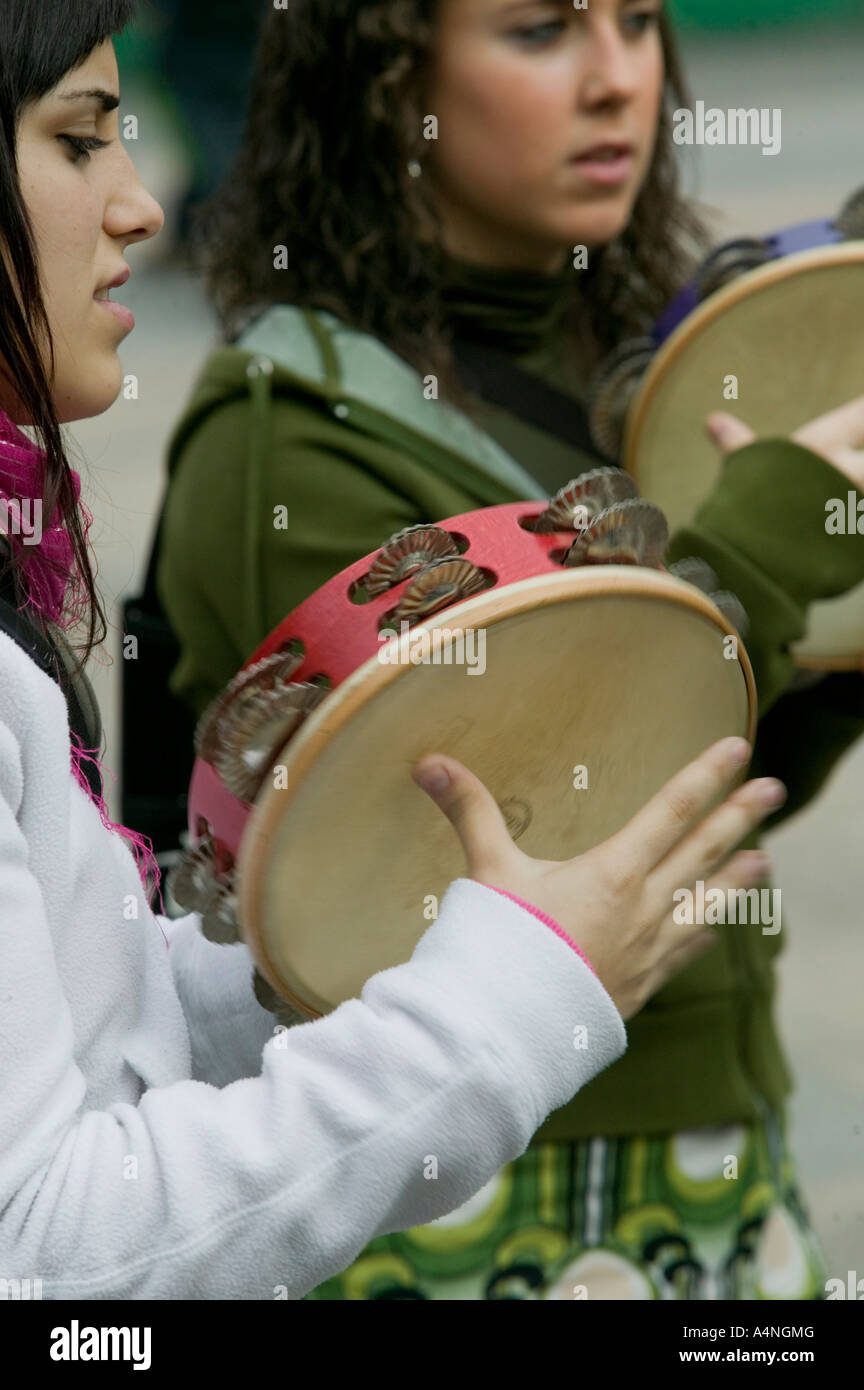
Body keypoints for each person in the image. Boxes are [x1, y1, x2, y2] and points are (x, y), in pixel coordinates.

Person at [0, 0, 785, 1302]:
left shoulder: (627, 348)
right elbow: (43, 1241)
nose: (141, 207)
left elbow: (101, 1015)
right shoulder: (290, 432)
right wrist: (517, 989)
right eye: (82, 141)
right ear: (388, 86)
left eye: (642, 23)